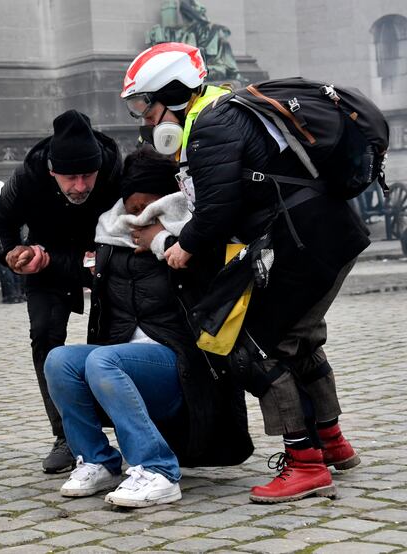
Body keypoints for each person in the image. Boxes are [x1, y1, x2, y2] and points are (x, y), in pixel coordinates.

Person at [121, 42, 367, 502]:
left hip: (305, 242)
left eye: (144, 105)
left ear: (173, 93)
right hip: (327, 236)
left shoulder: (211, 124)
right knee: (301, 340)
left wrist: (181, 248)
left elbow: (217, 209)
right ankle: (331, 442)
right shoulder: (224, 110)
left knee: (253, 347)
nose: (145, 120)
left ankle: (305, 463)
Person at [45, 147, 253, 507]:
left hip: (182, 361)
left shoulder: (195, 234)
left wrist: (165, 240)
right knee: (59, 360)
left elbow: (217, 283)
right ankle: (97, 459)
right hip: (123, 357)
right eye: (133, 207)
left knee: (103, 361)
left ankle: (158, 470)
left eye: (148, 207)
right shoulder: (111, 234)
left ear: (168, 199)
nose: (138, 216)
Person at [0, 109, 122, 473]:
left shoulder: (115, 170)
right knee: (45, 338)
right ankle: (67, 435)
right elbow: (0, 222)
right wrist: (12, 254)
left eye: (87, 176)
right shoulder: (28, 176)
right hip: (46, 263)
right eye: (70, 178)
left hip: (107, 262)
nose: (80, 186)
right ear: (51, 172)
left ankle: (129, 427)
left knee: (117, 340)